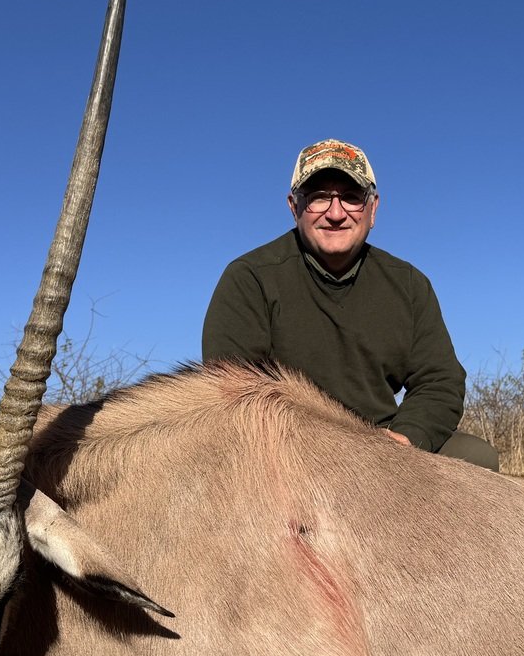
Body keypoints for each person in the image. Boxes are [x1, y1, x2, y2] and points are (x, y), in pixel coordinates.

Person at [202, 139, 499, 471]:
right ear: (293, 206)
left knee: (477, 459)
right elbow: (234, 393)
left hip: (384, 441)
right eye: (318, 197)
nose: (336, 213)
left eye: (351, 198)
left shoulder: (409, 284)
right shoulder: (249, 278)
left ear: (373, 209)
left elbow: (440, 380)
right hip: (289, 448)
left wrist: (405, 437)